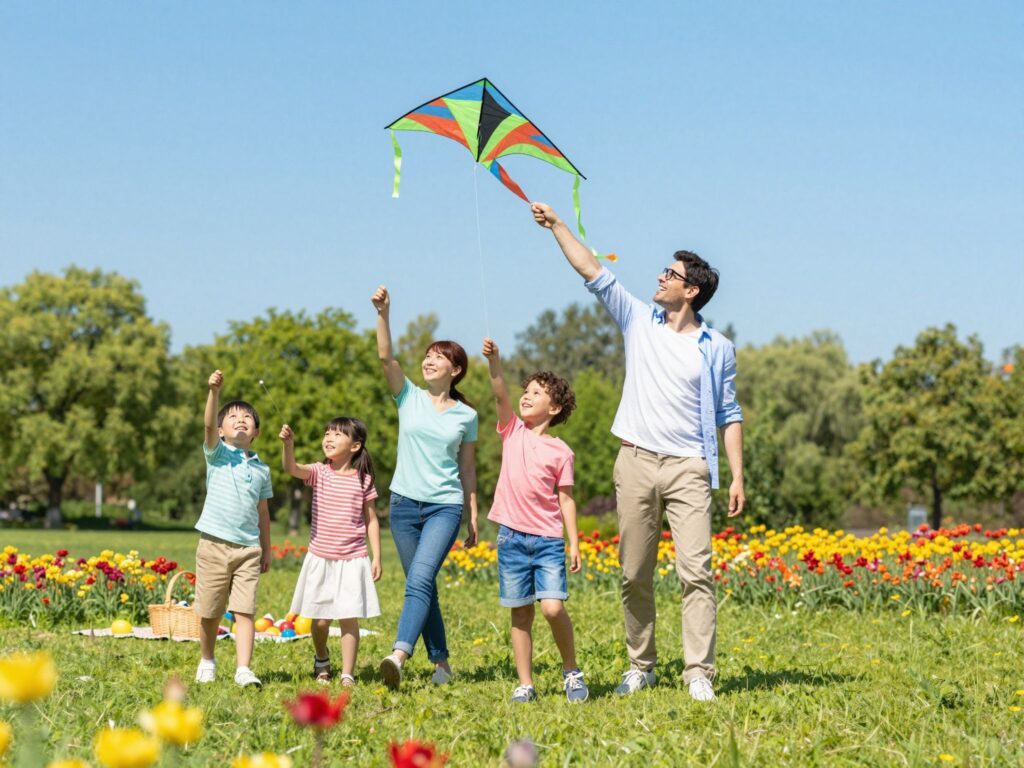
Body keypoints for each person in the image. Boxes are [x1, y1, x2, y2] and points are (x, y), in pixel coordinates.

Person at [530, 203, 745, 702]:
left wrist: (735, 475)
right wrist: (559, 225)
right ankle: (641, 665)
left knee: (697, 572)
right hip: (635, 461)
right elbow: (590, 268)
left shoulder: (717, 347)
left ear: (690, 290)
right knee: (634, 572)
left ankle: (697, 672)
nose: (660, 277)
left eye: (670, 274)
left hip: (690, 466)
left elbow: (728, 413)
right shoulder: (638, 318)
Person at [371, 285, 479, 690]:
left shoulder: (467, 416)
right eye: (428, 355)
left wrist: (471, 514)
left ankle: (399, 653)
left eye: (440, 357)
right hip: (402, 507)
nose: (429, 360)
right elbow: (386, 356)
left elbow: (467, 468)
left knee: (418, 579)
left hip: (443, 508)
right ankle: (443, 664)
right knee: (423, 582)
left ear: (455, 370)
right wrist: (384, 313)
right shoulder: (408, 397)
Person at [482, 338, 588, 704]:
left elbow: (566, 498)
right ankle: (525, 683)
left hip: (546, 541)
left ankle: (571, 670)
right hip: (511, 538)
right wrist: (495, 364)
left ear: (554, 407)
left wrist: (573, 542)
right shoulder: (512, 431)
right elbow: (499, 396)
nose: (526, 396)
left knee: (552, 607)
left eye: (537, 393)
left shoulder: (561, 451)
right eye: (525, 390)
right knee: (521, 613)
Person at [279, 417, 382, 687]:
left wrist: (377, 556)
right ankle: (322, 658)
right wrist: (288, 445)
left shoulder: (363, 480)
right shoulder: (319, 472)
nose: (329, 438)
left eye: (337, 434)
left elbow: (371, 520)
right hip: (321, 557)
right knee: (321, 620)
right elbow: (291, 468)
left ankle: (348, 673)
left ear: (356, 445)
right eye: (327, 433)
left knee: (349, 617)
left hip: (353, 559)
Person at [194, 370, 273, 688]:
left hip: (248, 549)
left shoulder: (262, 469)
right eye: (233, 417)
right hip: (214, 545)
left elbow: (263, 512)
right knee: (210, 610)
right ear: (223, 431)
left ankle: (243, 668)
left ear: (255, 433)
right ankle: (207, 660)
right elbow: (207, 424)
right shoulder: (217, 455)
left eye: (247, 418)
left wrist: (266, 548)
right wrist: (214, 392)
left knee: (245, 610)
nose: (240, 420)